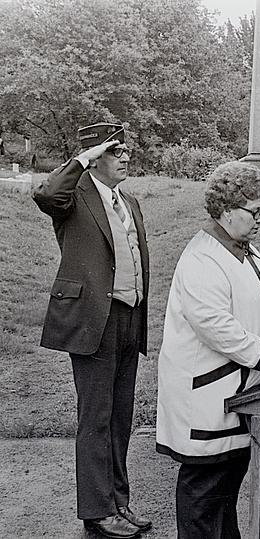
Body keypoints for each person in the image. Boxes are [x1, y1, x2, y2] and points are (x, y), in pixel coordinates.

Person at [156, 161, 260, 539]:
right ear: (226, 211)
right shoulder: (202, 257)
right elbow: (216, 327)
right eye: (254, 212)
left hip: (238, 392)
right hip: (206, 394)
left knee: (225, 490)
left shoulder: (248, 251)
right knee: (203, 494)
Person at [32, 123, 150, 538]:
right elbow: (46, 193)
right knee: (96, 420)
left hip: (127, 319)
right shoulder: (72, 198)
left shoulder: (129, 201)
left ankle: (120, 501)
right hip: (92, 320)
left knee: (120, 419)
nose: (125, 157)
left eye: (125, 151)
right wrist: (82, 158)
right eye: (115, 151)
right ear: (95, 155)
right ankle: (98, 511)